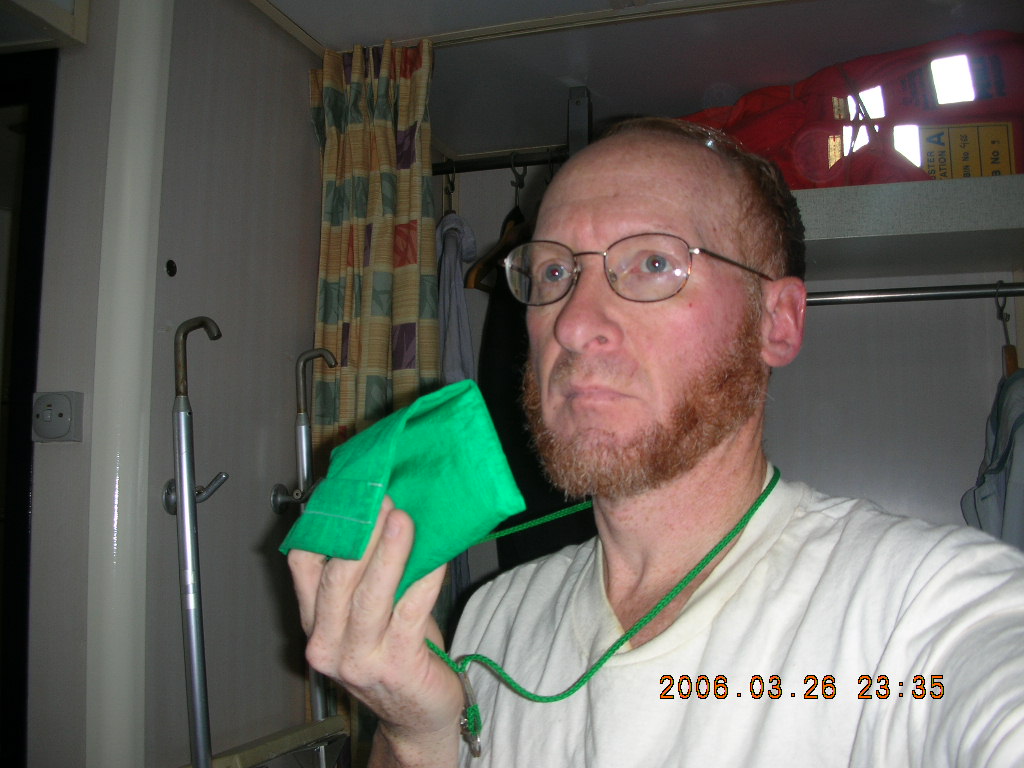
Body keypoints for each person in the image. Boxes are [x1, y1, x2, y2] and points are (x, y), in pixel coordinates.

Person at [288, 118, 1024, 767]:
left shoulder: (914, 611)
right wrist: (416, 737)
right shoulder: (493, 618)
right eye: (554, 271)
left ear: (777, 322)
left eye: (652, 263)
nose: (573, 322)